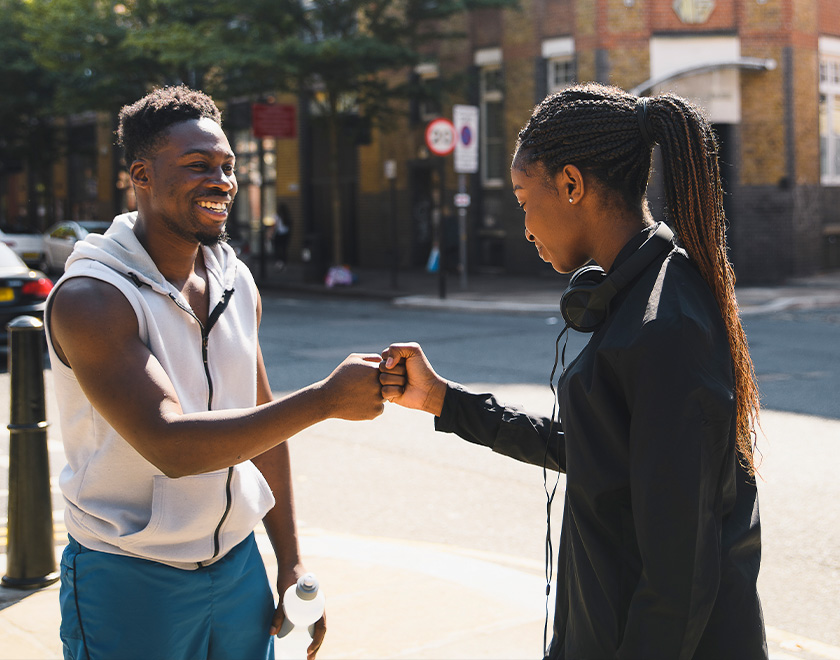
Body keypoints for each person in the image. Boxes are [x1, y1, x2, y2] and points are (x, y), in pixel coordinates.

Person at [379, 83, 766, 659]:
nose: (525, 224)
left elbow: (678, 577)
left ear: (570, 184)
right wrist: (444, 400)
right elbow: (596, 448)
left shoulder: (666, 326)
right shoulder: (634, 301)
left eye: (522, 197)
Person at [46, 85, 385, 660]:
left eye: (228, 167)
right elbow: (169, 446)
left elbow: (264, 429)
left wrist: (290, 558)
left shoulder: (235, 279)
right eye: (198, 165)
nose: (223, 181)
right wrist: (326, 399)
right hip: (129, 576)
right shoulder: (93, 298)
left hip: (238, 568)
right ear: (142, 175)